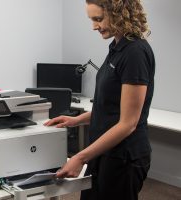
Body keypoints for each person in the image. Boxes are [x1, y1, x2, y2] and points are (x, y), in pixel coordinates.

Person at [44, 0, 155, 199]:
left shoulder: (135, 53)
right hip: (102, 151)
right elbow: (110, 107)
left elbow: (128, 124)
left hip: (123, 156)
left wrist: (79, 156)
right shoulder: (116, 47)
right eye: (92, 19)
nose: (94, 26)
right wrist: (76, 120)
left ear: (120, 13)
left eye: (99, 19)